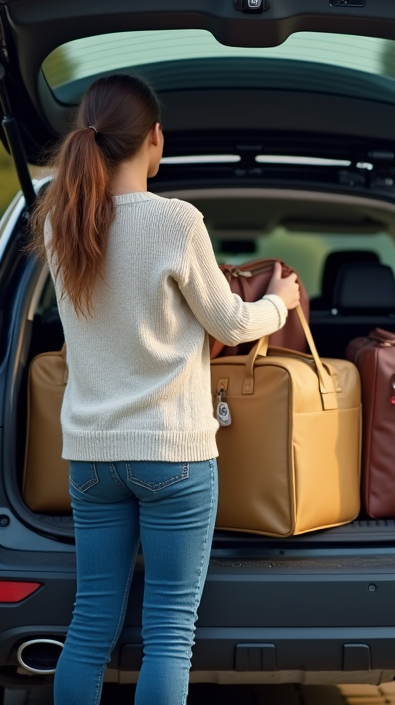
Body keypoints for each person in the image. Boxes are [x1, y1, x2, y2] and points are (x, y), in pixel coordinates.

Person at [28, 73, 301, 705]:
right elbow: (229, 324)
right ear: (155, 139)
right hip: (173, 454)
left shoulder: (61, 225)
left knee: (90, 626)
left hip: (92, 457)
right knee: (169, 634)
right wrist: (280, 304)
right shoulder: (176, 222)